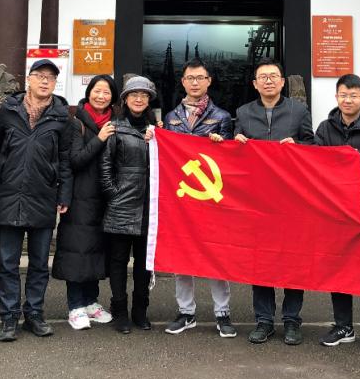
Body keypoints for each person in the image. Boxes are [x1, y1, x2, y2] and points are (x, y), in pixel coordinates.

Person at [0, 59, 73, 342]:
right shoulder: (8, 111)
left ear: (55, 83)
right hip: (10, 195)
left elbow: (65, 160)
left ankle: (34, 314)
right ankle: (9, 317)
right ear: (29, 79)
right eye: (39, 75)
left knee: (39, 263)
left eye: (50, 77)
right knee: (8, 262)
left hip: (43, 196)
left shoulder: (61, 116)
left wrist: (63, 194)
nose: (45, 81)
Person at [234, 58, 314, 346]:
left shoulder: (298, 110)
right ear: (255, 84)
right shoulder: (243, 112)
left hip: (292, 199)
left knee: (293, 259)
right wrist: (235, 143)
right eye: (262, 77)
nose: (268, 81)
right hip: (257, 200)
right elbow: (233, 152)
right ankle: (264, 320)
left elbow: (313, 146)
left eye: (273, 76)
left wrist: (298, 147)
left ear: (282, 82)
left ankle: (292, 320)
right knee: (261, 261)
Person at [315, 73, 360, 358]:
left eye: (353, 95)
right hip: (335, 213)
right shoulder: (326, 127)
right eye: (343, 95)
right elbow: (315, 165)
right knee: (338, 269)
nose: (348, 100)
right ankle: (343, 326)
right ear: (337, 97)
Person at [162, 58, 236, 338]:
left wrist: (222, 144)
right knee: (182, 255)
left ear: (208, 81)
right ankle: (186, 312)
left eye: (200, 78)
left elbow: (229, 159)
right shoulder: (171, 117)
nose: (195, 82)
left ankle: (223, 312)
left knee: (217, 254)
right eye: (190, 78)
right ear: (183, 82)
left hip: (211, 197)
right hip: (182, 196)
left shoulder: (222, 117)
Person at [52, 75, 118, 331]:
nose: (101, 96)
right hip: (80, 198)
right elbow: (76, 160)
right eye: (97, 91)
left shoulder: (115, 122)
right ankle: (75, 306)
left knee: (96, 252)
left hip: (104, 199)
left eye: (106, 92)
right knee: (77, 252)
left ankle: (91, 302)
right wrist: (99, 138)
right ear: (89, 93)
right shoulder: (76, 122)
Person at [101, 75, 157, 334]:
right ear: (124, 99)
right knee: (118, 262)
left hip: (148, 207)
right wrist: (114, 194)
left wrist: (156, 140)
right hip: (121, 205)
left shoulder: (156, 131)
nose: (139, 99)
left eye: (144, 95)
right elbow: (105, 167)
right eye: (134, 95)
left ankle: (140, 310)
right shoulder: (115, 128)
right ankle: (120, 310)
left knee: (144, 263)